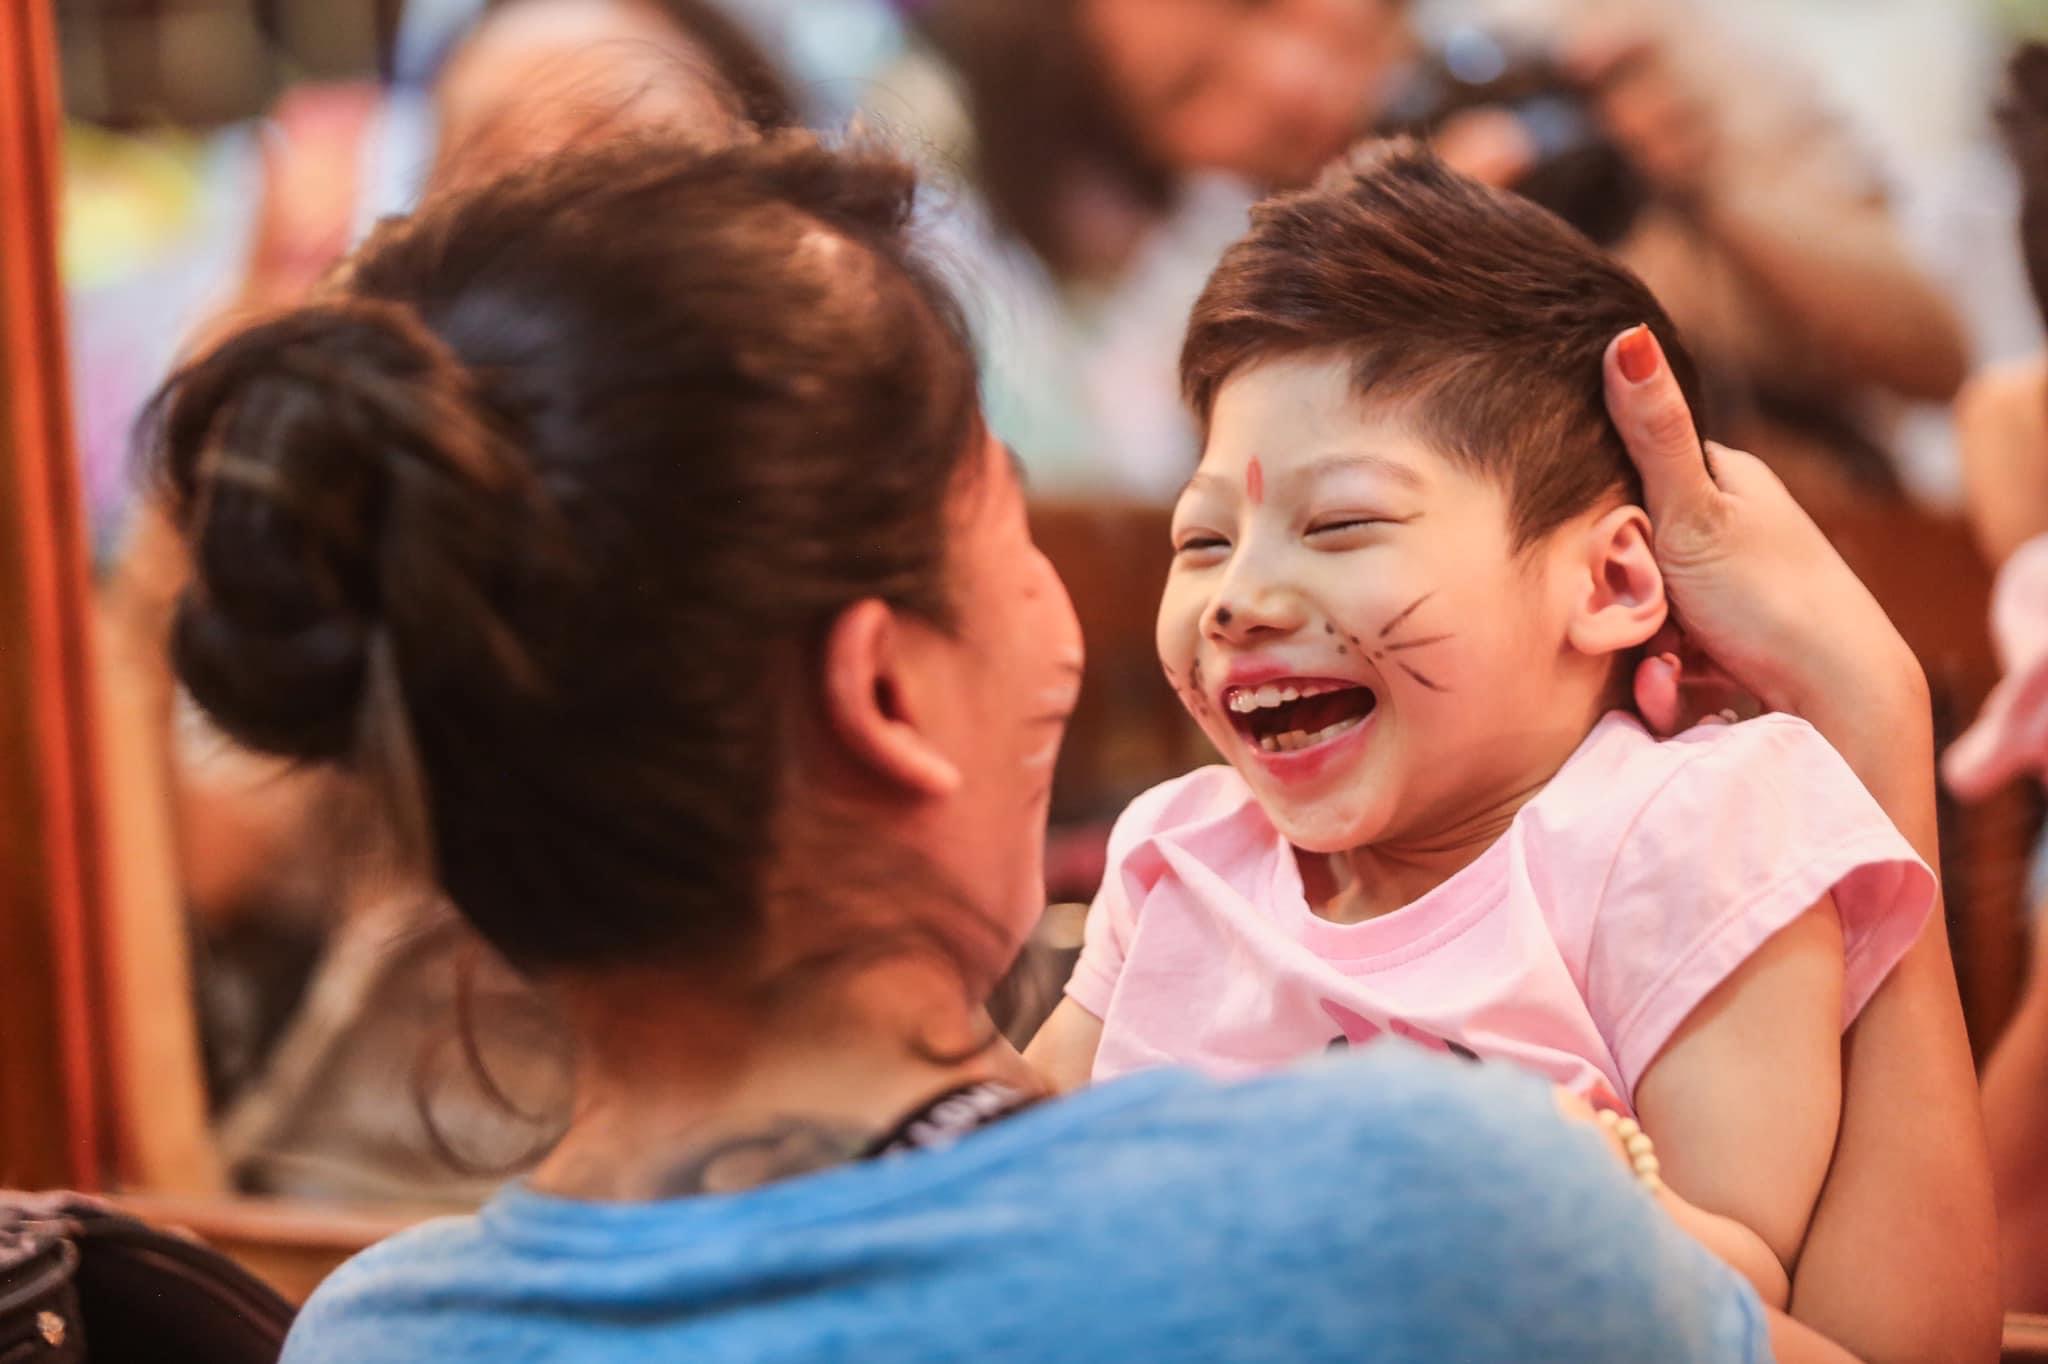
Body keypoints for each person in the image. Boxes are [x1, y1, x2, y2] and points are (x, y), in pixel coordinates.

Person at [139, 127, 1919, 1362]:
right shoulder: (1413, 1213)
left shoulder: (383, 1328)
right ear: (886, 692)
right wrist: (1872, 728)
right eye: (1011, 519)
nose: (1224, 600)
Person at [1022, 143, 1962, 1355]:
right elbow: (1007, 1156)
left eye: (1341, 521)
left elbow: (1746, 1300)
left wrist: (1523, 1185)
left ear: (1614, 576)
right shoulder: (1180, 848)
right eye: (1201, 539)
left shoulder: (1688, 834)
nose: (1237, 598)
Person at [948, 0, 1967, 494]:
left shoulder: (1608, 53)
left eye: (1259, 2)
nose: (1282, 81)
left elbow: (1933, 355)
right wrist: (1390, 280)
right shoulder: (1233, 290)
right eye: (1191, 93)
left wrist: (1698, 183)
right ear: (1147, 154)